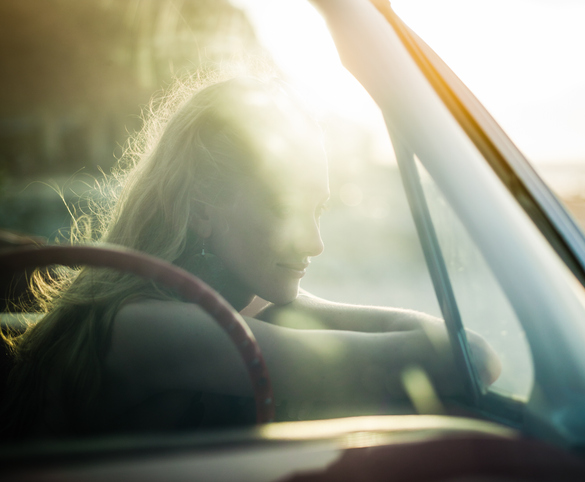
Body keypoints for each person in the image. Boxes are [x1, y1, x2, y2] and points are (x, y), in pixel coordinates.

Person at [0, 77, 500, 438]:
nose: (314, 243)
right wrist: (293, 308)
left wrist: (288, 305)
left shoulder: (225, 302)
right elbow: (472, 358)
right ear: (202, 210)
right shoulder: (148, 328)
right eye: (285, 207)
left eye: (319, 210)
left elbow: (459, 352)